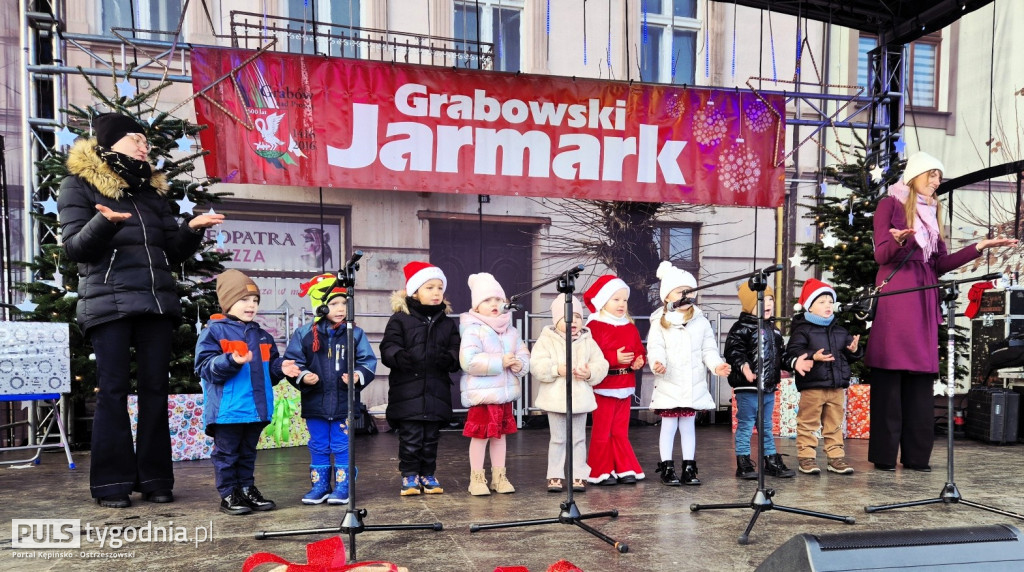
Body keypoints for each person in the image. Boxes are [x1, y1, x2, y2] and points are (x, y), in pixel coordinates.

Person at [57, 112, 224, 508]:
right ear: (111, 142)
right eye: (136, 138)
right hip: (108, 302)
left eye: (145, 140)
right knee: (113, 392)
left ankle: (155, 479)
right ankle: (111, 485)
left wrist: (193, 228)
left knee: (155, 392)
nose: (144, 145)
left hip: (155, 303)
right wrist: (106, 223)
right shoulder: (78, 185)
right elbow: (76, 249)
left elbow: (173, 250)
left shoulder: (151, 193)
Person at [866, 151, 1018, 471]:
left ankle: (917, 457)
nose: (937, 182)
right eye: (932, 175)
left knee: (921, 386)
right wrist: (900, 240)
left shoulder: (932, 213)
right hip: (899, 299)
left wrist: (979, 247)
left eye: (939, 177)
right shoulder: (889, 205)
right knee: (890, 384)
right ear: (915, 176)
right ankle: (883, 458)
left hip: (923, 301)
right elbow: (882, 255)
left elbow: (939, 264)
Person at [195, 270, 296, 515]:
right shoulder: (214, 332)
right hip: (228, 411)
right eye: (244, 300)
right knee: (227, 454)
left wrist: (280, 367)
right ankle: (229, 493)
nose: (251, 305)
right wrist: (231, 360)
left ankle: (247, 488)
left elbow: (269, 374)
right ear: (228, 301)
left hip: (255, 408)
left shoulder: (263, 336)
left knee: (248, 453)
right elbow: (205, 368)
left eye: (255, 301)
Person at [285, 273, 378, 505]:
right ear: (320, 305)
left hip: (343, 404)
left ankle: (344, 485)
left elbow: (368, 361)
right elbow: (293, 362)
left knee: (341, 443)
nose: (340, 308)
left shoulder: (354, 333)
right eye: (334, 303)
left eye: (344, 303)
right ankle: (320, 485)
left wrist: (357, 375)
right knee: (318, 443)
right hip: (315, 402)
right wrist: (303, 376)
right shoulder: (304, 334)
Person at [379, 261, 461, 496]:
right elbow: (388, 347)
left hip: (436, 390)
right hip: (407, 391)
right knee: (411, 437)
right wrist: (399, 357)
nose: (436, 293)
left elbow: (457, 350)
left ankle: (428, 473)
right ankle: (410, 475)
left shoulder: (446, 323)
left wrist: (448, 359)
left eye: (439, 288)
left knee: (430, 438)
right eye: (429, 288)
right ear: (414, 291)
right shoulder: (400, 319)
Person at [647, 262, 731, 486]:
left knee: (688, 426)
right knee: (669, 426)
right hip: (670, 383)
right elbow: (655, 348)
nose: (685, 296)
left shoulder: (701, 322)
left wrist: (716, 366)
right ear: (667, 296)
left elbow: (709, 350)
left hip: (692, 384)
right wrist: (657, 363)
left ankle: (689, 467)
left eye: (689, 292)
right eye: (679, 292)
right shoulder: (659, 323)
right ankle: (667, 466)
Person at [458, 273, 530, 496]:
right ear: (477, 306)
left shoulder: (511, 330)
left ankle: (499, 476)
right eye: (487, 301)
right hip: (483, 396)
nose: (494, 305)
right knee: (480, 436)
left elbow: (523, 352)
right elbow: (468, 361)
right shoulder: (472, 329)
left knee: (500, 436)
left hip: (504, 394)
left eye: (498, 300)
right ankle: (477, 478)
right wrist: (500, 362)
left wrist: (520, 364)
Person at [531, 296, 609, 493]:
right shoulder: (547, 339)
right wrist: (557, 369)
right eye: (568, 317)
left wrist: (589, 372)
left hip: (580, 398)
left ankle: (579, 475)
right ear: (556, 320)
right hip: (556, 399)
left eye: (577, 317)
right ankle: (555, 474)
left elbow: (601, 364)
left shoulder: (588, 340)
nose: (573, 321)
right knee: (558, 438)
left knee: (579, 439)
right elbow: (537, 365)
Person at [785, 279, 862, 475]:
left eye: (830, 301)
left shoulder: (839, 330)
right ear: (809, 306)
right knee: (808, 423)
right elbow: (793, 352)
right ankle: (807, 458)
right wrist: (813, 356)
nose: (827, 305)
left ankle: (835, 458)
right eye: (821, 301)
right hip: (813, 386)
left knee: (834, 424)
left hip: (836, 387)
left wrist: (854, 349)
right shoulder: (802, 329)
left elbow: (851, 354)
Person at [724, 282, 796, 480]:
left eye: (771, 299)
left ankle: (770, 460)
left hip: (768, 388)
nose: (769, 303)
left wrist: (795, 363)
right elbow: (734, 351)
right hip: (748, 387)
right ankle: (744, 461)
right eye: (762, 300)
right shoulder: (741, 328)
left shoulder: (774, 330)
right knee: (746, 424)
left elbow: (782, 356)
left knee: (765, 425)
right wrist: (744, 367)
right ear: (749, 305)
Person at [582, 274, 646, 485]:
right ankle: (601, 470)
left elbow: (639, 350)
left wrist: (639, 360)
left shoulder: (630, 326)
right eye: (616, 299)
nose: (621, 304)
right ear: (603, 301)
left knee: (620, 430)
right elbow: (591, 356)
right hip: (604, 386)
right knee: (603, 430)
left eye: (624, 300)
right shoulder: (595, 326)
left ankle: (624, 467)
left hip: (625, 385)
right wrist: (613, 358)